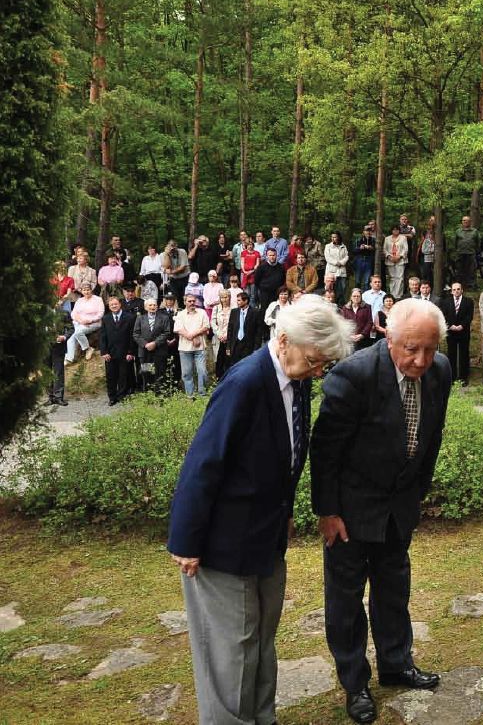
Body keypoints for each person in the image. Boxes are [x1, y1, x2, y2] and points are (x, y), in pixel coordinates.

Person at [168, 296, 353, 725]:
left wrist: (283, 510)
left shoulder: (295, 377)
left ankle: (262, 718)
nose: (318, 371)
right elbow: (204, 462)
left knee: (261, 641)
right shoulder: (245, 382)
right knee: (231, 650)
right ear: (283, 340)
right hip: (224, 543)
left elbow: (283, 452)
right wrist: (186, 540)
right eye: (314, 361)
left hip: (265, 535)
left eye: (324, 364)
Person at [310, 299, 452, 724]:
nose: (421, 360)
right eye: (412, 349)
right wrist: (327, 511)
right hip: (350, 510)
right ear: (388, 336)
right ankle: (355, 683)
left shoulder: (440, 371)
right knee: (346, 600)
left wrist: (417, 493)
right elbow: (325, 450)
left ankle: (396, 663)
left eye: (430, 349)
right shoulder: (354, 375)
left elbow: (432, 436)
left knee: (394, 588)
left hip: (399, 506)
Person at [100, 296, 135, 405]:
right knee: (111, 376)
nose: (114, 306)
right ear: (109, 306)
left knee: (123, 375)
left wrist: (130, 352)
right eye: (111, 305)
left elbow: (132, 336)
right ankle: (112, 397)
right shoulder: (105, 318)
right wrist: (104, 352)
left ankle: (122, 396)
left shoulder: (130, 317)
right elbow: (102, 337)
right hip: (110, 353)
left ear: (120, 304)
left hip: (125, 352)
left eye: (116, 304)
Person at [174, 294, 210, 397]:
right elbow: (178, 329)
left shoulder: (202, 312)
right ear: (185, 302)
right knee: (186, 373)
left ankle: (202, 394)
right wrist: (192, 337)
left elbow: (206, 327)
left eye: (194, 301)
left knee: (202, 371)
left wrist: (193, 335)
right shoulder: (180, 314)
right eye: (189, 301)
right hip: (185, 348)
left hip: (200, 348)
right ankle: (190, 395)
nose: (192, 303)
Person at [134, 297, 173, 392]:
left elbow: (167, 332)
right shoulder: (140, 318)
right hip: (145, 352)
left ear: (157, 306)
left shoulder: (164, 318)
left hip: (159, 350)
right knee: (147, 373)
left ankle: (160, 394)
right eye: (150, 305)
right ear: (145, 307)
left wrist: (155, 343)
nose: (153, 307)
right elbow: (136, 334)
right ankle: (148, 394)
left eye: (154, 305)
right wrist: (145, 344)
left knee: (160, 373)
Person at [440, 282, 473, 385]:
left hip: (464, 331)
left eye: (458, 289)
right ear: (451, 291)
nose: (456, 291)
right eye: (454, 290)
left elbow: (469, 316)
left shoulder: (468, 301)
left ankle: (464, 377)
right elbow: (443, 316)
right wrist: (450, 326)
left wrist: (462, 326)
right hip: (451, 332)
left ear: (462, 290)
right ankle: (452, 377)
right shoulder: (446, 302)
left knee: (464, 354)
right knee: (451, 354)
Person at [66, 283, 104, 363]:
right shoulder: (79, 300)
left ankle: (87, 349)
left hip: (93, 323)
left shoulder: (98, 299)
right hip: (80, 323)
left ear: (91, 290)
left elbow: (101, 313)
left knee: (77, 332)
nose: (86, 292)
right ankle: (70, 358)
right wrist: (80, 321)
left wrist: (90, 321)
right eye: (84, 290)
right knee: (70, 339)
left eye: (88, 290)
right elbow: (73, 313)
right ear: (81, 291)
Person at [227, 291, 262, 366]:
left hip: (248, 346)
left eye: (239, 300)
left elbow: (258, 332)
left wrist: (256, 349)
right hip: (235, 345)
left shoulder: (255, 312)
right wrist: (228, 346)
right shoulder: (234, 312)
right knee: (235, 366)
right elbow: (230, 330)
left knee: (247, 366)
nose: (237, 302)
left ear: (246, 301)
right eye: (237, 300)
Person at [48, 307, 72, 406]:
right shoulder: (41, 313)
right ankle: (50, 397)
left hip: (59, 346)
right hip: (45, 346)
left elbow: (71, 328)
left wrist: (64, 336)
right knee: (47, 372)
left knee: (59, 372)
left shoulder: (64, 313)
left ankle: (58, 397)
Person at [211, 289, 233, 380]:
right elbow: (213, 322)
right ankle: (218, 378)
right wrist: (219, 334)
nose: (224, 299)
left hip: (229, 337)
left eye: (226, 297)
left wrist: (227, 335)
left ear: (229, 297)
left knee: (228, 358)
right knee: (218, 358)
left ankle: (228, 377)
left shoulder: (234, 308)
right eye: (222, 297)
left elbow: (234, 324)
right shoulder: (216, 308)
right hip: (218, 337)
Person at [453, 216, 479, 288]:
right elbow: (455, 242)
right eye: (464, 220)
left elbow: (477, 242)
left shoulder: (475, 231)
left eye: (467, 220)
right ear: (462, 222)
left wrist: (476, 250)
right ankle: (460, 284)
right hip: (460, 253)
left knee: (472, 270)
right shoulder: (458, 231)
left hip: (471, 253)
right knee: (460, 270)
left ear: (470, 222)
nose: (465, 222)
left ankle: (472, 285)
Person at [384, 225, 408, 299]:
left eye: (397, 229)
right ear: (391, 230)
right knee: (392, 278)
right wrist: (389, 257)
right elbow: (384, 249)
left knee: (400, 278)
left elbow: (405, 249)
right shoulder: (387, 238)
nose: (395, 231)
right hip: (390, 260)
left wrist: (399, 256)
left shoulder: (403, 238)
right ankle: (392, 294)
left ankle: (398, 295)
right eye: (394, 229)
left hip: (400, 260)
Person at [353, 223, 377, 293]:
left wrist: (370, 248)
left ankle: (366, 295)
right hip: (359, 260)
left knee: (367, 281)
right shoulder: (358, 239)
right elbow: (354, 250)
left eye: (369, 231)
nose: (368, 232)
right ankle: (357, 294)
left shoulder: (373, 240)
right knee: (358, 280)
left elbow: (375, 250)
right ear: (363, 232)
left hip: (369, 260)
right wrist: (360, 248)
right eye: (366, 231)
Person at [325, 230, 349, 296]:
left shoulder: (344, 246)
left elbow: (346, 256)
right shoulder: (328, 246)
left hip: (342, 270)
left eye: (335, 237)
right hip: (332, 271)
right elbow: (327, 257)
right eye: (332, 237)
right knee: (331, 289)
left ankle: (341, 301)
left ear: (338, 237)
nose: (333, 238)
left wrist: (341, 263)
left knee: (343, 288)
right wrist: (336, 263)